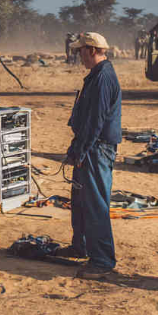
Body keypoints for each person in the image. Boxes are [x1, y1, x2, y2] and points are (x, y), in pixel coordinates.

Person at [56, 32, 122, 278]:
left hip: (97, 149)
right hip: (90, 146)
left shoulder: (103, 78)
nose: (79, 55)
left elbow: (95, 121)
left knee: (95, 205)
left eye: (80, 51)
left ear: (92, 50)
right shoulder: (96, 76)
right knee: (81, 201)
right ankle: (81, 246)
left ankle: (102, 261)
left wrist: (81, 150)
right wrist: (76, 148)